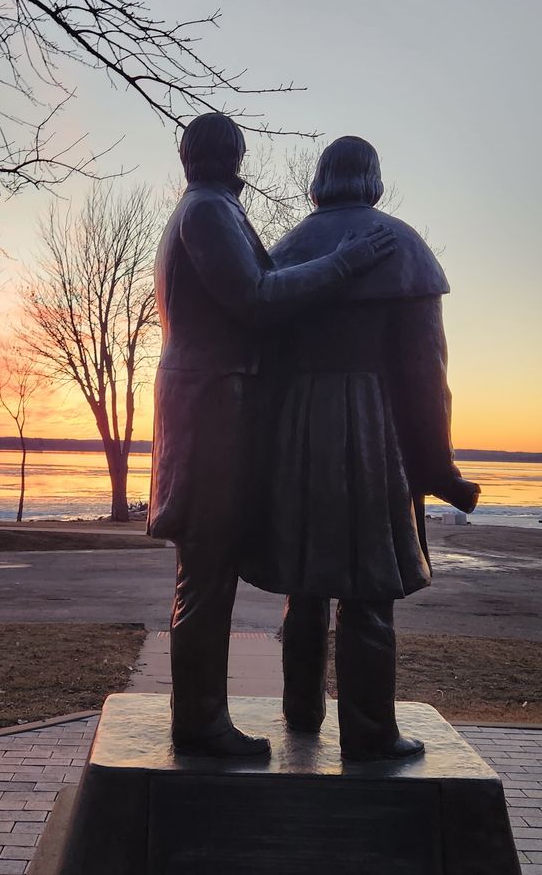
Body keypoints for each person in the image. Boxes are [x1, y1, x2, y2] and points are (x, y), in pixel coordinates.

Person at [147, 114, 396, 759]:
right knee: (206, 573)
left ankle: (201, 717)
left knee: (207, 571)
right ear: (234, 157)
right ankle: (200, 723)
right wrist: (343, 263)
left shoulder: (207, 209)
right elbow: (256, 297)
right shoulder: (207, 212)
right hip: (211, 406)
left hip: (210, 401)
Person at [240, 135, 480, 761]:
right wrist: (438, 466)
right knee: (367, 591)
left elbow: (263, 365)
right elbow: (426, 376)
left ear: (319, 180)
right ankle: (370, 732)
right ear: (373, 179)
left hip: (296, 435)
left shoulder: (289, 249)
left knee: (305, 586)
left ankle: (301, 711)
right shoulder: (399, 246)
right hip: (373, 433)